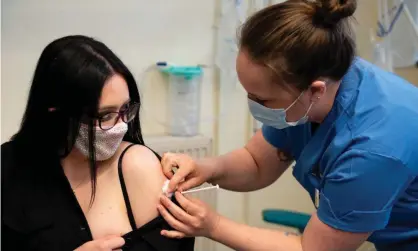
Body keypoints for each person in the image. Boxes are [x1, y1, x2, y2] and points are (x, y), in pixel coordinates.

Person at [156, 1, 418, 251]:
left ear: (315, 90)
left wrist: (213, 225)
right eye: (248, 93)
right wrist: (205, 168)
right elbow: (256, 163)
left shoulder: (372, 150)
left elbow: (311, 248)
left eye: (262, 99)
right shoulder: (313, 83)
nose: (253, 105)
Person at [1, 35, 194, 251]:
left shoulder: (138, 166)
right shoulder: (9, 169)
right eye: (104, 116)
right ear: (56, 112)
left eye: (125, 110)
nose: (121, 126)